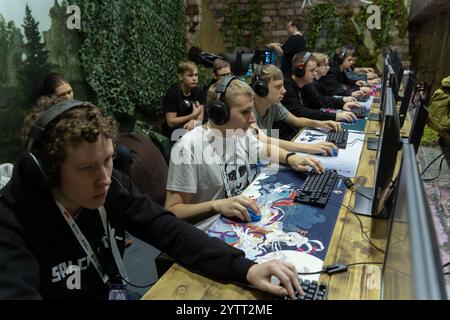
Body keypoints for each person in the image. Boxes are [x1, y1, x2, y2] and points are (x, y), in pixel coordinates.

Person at [0, 96, 305, 300]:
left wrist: (246, 268)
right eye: (87, 168)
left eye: (107, 160)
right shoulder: (11, 224)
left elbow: (167, 229)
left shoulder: (112, 185)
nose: (104, 178)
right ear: (48, 172)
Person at [165, 76, 324, 231]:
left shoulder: (239, 132)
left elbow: (263, 149)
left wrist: (291, 158)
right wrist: (216, 205)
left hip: (241, 220)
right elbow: (173, 211)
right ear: (219, 114)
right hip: (209, 230)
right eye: (245, 112)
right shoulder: (187, 147)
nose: (252, 118)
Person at [250, 64, 340, 156]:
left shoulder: (274, 105)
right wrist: (309, 147)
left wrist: (320, 124)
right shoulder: (247, 109)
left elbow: (295, 120)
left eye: (283, 86)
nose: (284, 90)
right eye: (278, 87)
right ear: (261, 89)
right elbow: (262, 139)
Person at [275, 52, 357, 140]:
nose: (315, 73)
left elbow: (321, 99)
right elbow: (300, 112)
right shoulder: (287, 87)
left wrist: (342, 103)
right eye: (312, 70)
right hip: (282, 137)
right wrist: (334, 116)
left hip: (294, 133)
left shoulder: (304, 84)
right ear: (300, 71)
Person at [162, 61, 206, 140]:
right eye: (190, 75)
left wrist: (194, 122)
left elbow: (200, 118)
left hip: (192, 128)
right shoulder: (173, 93)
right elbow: (171, 122)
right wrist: (192, 115)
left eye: (196, 75)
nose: (194, 78)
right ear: (180, 77)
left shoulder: (198, 91)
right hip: (174, 132)